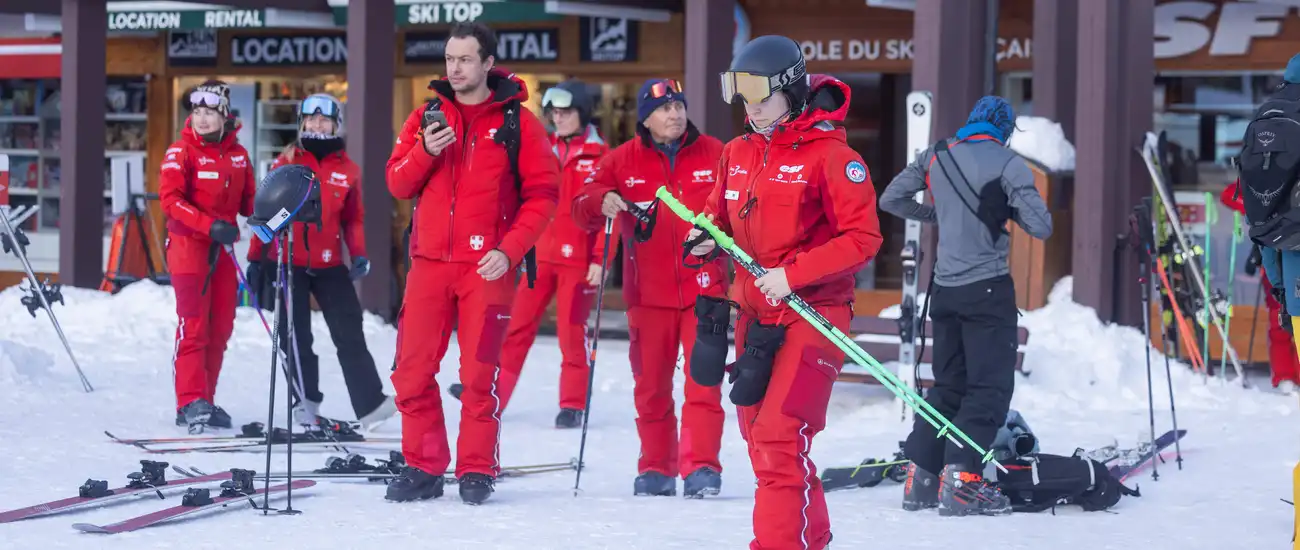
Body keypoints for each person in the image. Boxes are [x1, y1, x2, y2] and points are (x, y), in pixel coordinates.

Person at [684, 35, 882, 549]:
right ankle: (812, 538)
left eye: (761, 97)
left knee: (778, 435)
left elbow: (863, 239)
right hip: (756, 316)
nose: (750, 108)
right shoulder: (737, 152)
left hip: (813, 312)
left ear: (791, 91)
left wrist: (793, 275)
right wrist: (705, 236)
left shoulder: (832, 156)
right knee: (762, 439)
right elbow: (716, 214)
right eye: (743, 96)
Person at [384, 22, 559, 505]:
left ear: (487, 63)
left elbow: (544, 194)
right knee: (411, 372)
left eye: (465, 59)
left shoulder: (518, 123)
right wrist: (426, 151)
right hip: (428, 264)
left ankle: (477, 468)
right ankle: (423, 466)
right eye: (449, 59)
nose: (455, 68)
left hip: (487, 267)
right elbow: (397, 183)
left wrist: (510, 249)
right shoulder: (426, 117)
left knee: (480, 376)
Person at [881, 95, 1052, 516]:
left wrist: (936, 215)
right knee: (988, 388)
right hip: (987, 292)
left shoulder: (937, 154)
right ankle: (962, 481)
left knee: (948, 386)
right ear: (1006, 130)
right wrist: (1003, 209)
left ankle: (921, 478)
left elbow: (892, 199)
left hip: (944, 292)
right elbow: (1041, 225)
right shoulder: (1009, 163)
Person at [571, 77, 728, 498]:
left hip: (705, 291)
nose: (674, 114)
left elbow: (741, 208)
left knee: (703, 384)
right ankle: (656, 467)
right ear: (645, 119)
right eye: (664, 109)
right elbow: (581, 206)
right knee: (651, 387)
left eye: (679, 106)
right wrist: (599, 200)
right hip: (647, 296)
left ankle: (701, 468)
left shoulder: (716, 153)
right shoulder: (621, 160)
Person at [448, 79, 609, 427]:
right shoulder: (541, 148)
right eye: (554, 113)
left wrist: (601, 259)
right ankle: (493, 396)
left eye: (566, 112)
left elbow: (610, 216)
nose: (558, 118)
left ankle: (572, 404)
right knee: (515, 328)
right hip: (538, 256)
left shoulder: (602, 156)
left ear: (583, 113)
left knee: (571, 333)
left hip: (578, 262)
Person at [244, 93, 399, 430]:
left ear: (335, 125)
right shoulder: (285, 163)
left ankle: (371, 405)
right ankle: (305, 401)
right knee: (295, 337)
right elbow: (264, 213)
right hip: (290, 262)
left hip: (330, 265)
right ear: (302, 123)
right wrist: (256, 258)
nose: (317, 125)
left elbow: (353, 219)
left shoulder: (348, 170)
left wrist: (358, 254)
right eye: (311, 119)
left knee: (349, 332)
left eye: (324, 120)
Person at [158, 80, 256, 432]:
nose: (201, 119)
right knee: (194, 324)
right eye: (197, 112)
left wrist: (281, 201)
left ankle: (206, 400)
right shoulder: (180, 151)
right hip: (189, 247)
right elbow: (170, 201)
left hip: (224, 249)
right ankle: (189, 400)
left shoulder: (238, 155)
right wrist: (209, 225)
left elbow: (250, 203)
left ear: (224, 115)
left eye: (210, 112)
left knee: (221, 326)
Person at [1220, 182, 1300, 393]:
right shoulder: (1269, 172)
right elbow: (1229, 195)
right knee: (1280, 318)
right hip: (1276, 258)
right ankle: (1285, 375)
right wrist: (1260, 211)